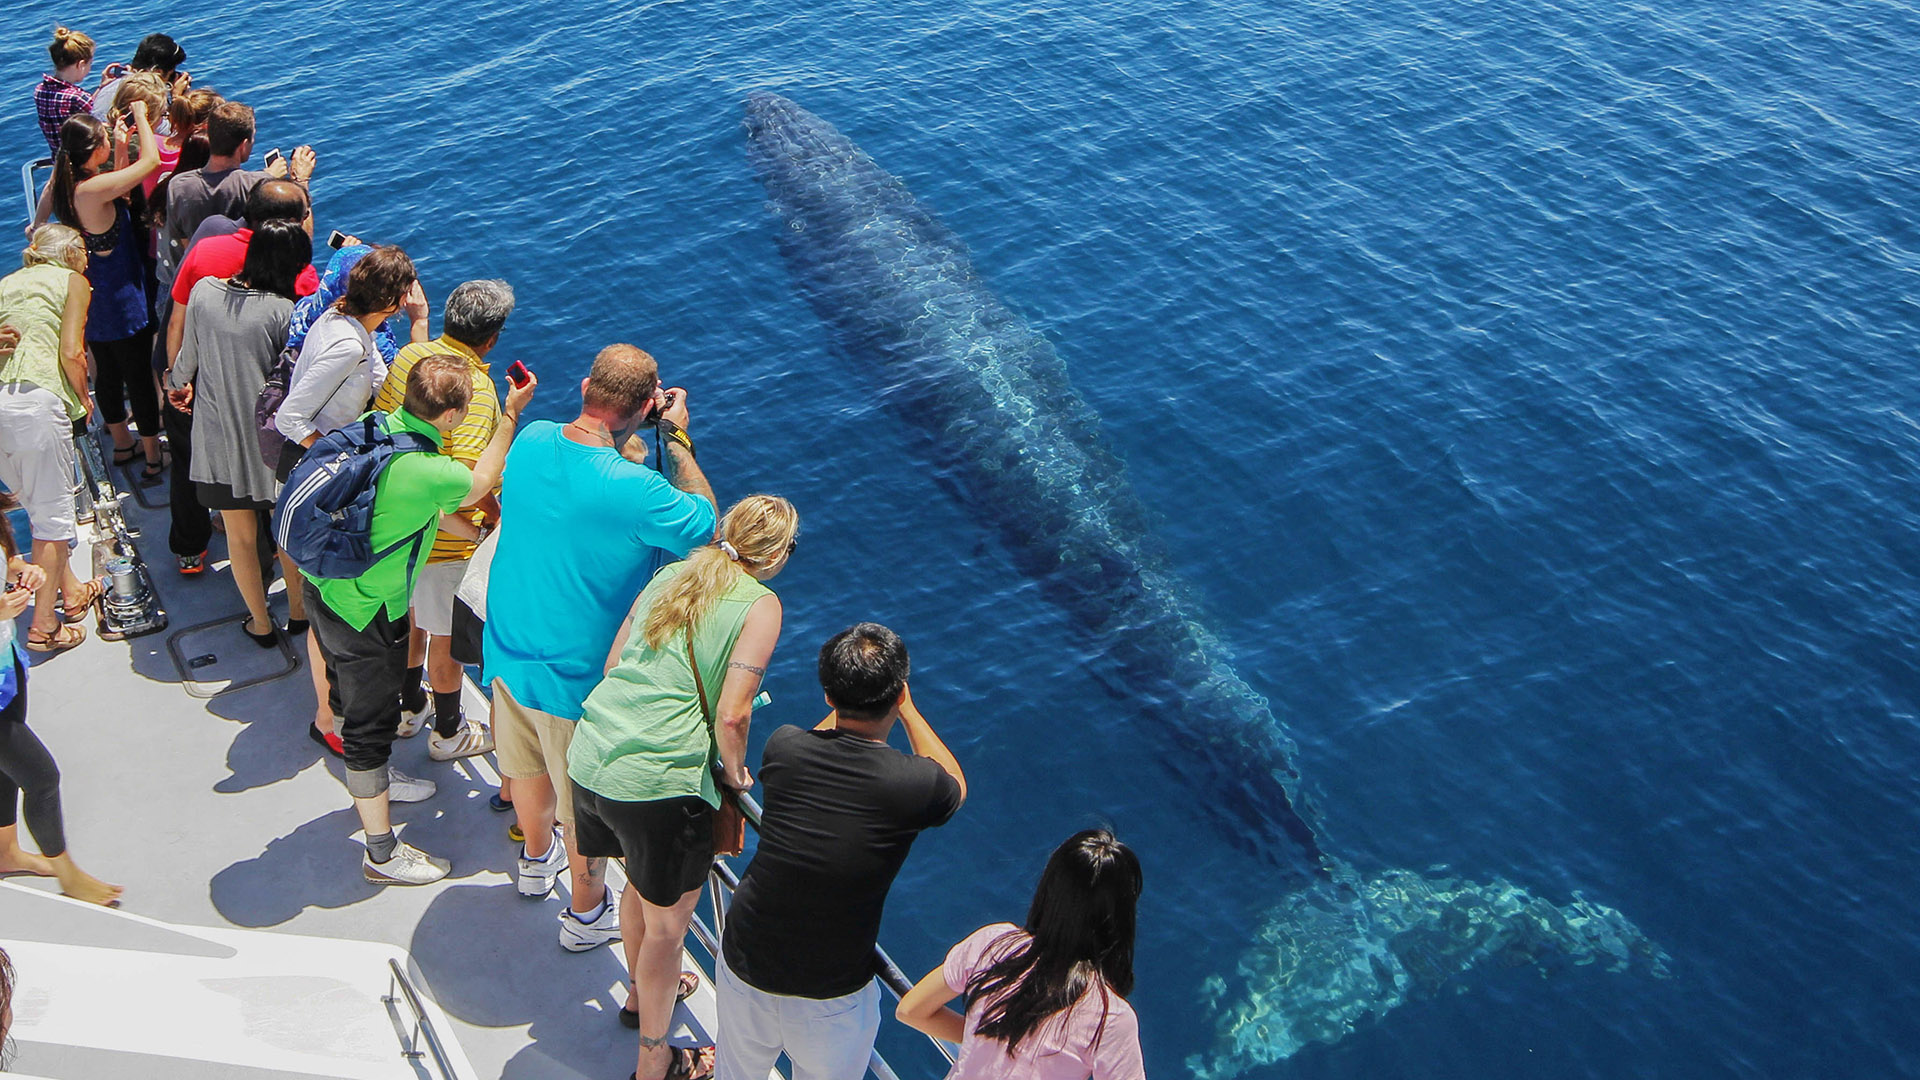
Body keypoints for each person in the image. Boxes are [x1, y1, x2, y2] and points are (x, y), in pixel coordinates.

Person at [484, 343, 715, 948]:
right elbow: (704, 524)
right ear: (645, 406)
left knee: (524, 770)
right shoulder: (636, 489)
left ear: (586, 386)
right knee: (577, 806)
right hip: (575, 676)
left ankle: (536, 866)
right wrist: (679, 438)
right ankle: (585, 917)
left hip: (508, 648)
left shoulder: (531, 439)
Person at [569, 494, 799, 1080]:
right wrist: (736, 772)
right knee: (669, 931)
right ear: (774, 553)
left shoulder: (674, 572)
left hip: (595, 754)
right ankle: (655, 1061)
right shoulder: (761, 605)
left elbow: (614, 661)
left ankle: (638, 997)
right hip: (658, 782)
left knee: (636, 889)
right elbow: (732, 716)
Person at [303, 355, 534, 885]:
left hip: (323, 588)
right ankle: (381, 855)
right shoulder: (431, 470)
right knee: (364, 729)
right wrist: (510, 415)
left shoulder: (374, 429)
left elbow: (430, 510)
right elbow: (477, 486)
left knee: (352, 706)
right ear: (450, 417)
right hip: (367, 611)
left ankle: (379, 774)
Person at [714, 623, 967, 1080]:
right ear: (898, 694)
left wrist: (851, 696)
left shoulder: (784, 747)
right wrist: (907, 711)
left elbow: (823, 738)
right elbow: (956, 784)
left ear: (828, 696)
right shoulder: (913, 783)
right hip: (828, 991)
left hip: (745, 955)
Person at [276, 246, 426, 757]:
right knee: (340, 606)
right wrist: (340, 462)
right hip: (333, 477)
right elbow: (290, 419)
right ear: (390, 298)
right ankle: (349, 727)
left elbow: (383, 387)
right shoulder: (346, 345)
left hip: (343, 463)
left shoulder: (342, 321)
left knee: (332, 606)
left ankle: (336, 712)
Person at [368, 280, 516, 760]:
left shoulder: (412, 360)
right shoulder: (474, 390)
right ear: (491, 339)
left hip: (395, 528)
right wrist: (490, 522)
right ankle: (448, 732)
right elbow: (466, 483)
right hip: (443, 546)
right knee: (447, 645)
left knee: (413, 623)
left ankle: (411, 708)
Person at [162, 179, 319, 576]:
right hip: (270, 416)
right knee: (276, 508)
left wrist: (179, 382)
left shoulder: (207, 254)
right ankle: (289, 593)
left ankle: (189, 551)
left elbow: (177, 324)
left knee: (190, 470)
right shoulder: (298, 281)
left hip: (208, 395)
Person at [896, 830, 1146, 1080]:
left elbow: (911, 1010)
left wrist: (987, 1035)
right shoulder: (1109, 1018)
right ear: (1120, 918)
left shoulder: (993, 943)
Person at [0, 512, 123, 905]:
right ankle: (68, 875)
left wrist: (23, 571)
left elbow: (9, 561)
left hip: (5, 664)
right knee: (41, 778)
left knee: (5, 769)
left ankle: (5, 852)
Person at [49, 106, 164, 479]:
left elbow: (120, 186)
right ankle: (151, 456)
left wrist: (118, 144)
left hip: (93, 302)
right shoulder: (92, 189)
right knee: (140, 380)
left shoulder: (69, 187)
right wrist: (142, 116)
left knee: (109, 377)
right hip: (124, 304)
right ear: (91, 150)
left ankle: (121, 443)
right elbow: (149, 161)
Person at [0, 226, 98, 653]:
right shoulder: (73, 281)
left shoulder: (7, 282)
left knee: (37, 505)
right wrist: (82, 399)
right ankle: (44, 627)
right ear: (72, 253)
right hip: (35, 407)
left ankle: (72, 592)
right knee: (54, 521)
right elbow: (71, 352)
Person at [160, 101, 313, 289]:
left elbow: (184, 241)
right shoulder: (257, 186)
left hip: (190, 284)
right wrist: (300, 181)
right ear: (244, 145)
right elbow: (300, 242)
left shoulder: (178, 185)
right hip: (239, 287)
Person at [90, 33, 188, 127]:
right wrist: (177, 98)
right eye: (172, 72)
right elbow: (172, 133)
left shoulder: (111, 85)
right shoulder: (146, 93)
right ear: (158, 72)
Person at [35, 28, 96, 156]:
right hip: (82, 165)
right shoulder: (77, 97)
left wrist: (101, 87)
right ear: (81, 64)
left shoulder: (40, 91)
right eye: (90, 63)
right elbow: (98, 114)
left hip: (59, 163)